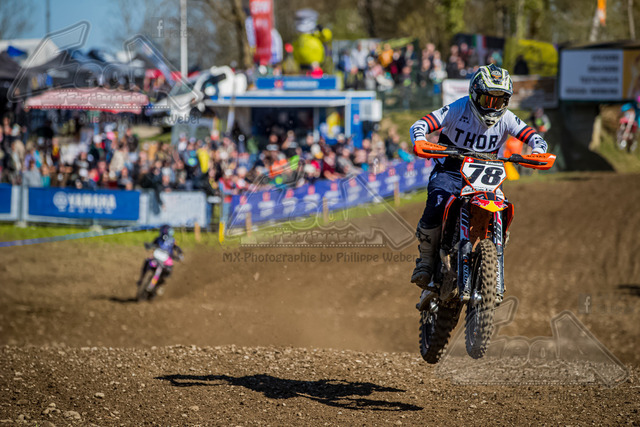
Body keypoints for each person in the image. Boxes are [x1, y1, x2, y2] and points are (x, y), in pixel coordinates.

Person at [408, 64, 548, 289]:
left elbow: (535, 137)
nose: (493, 107)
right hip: (451, 169)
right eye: (487, 100)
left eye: (499, 101)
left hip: (486, 173)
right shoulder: (458, 108)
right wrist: (421, 140)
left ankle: (491, 261)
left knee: (501, 208)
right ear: (474, 94)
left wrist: (538, 152)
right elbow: (421, 124)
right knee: (436, 202)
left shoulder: (507, 118)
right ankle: (425, 260)